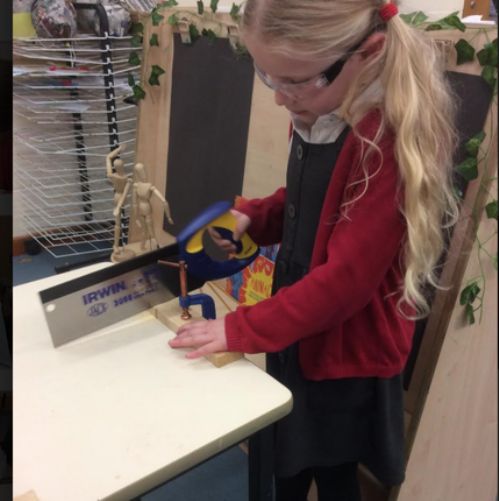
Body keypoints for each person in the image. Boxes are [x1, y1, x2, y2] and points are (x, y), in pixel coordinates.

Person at [169, 1, 459, 499]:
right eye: (268, 76)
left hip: (345, 354)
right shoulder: (321, 105)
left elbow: (344, 283)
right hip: (300, 324)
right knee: (287, 456)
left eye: (294, 81)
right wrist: (252, 217)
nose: (281, 99)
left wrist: (239, 328)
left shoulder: (384, 139)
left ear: (366, 53)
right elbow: (307, 201)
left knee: (331, 471)